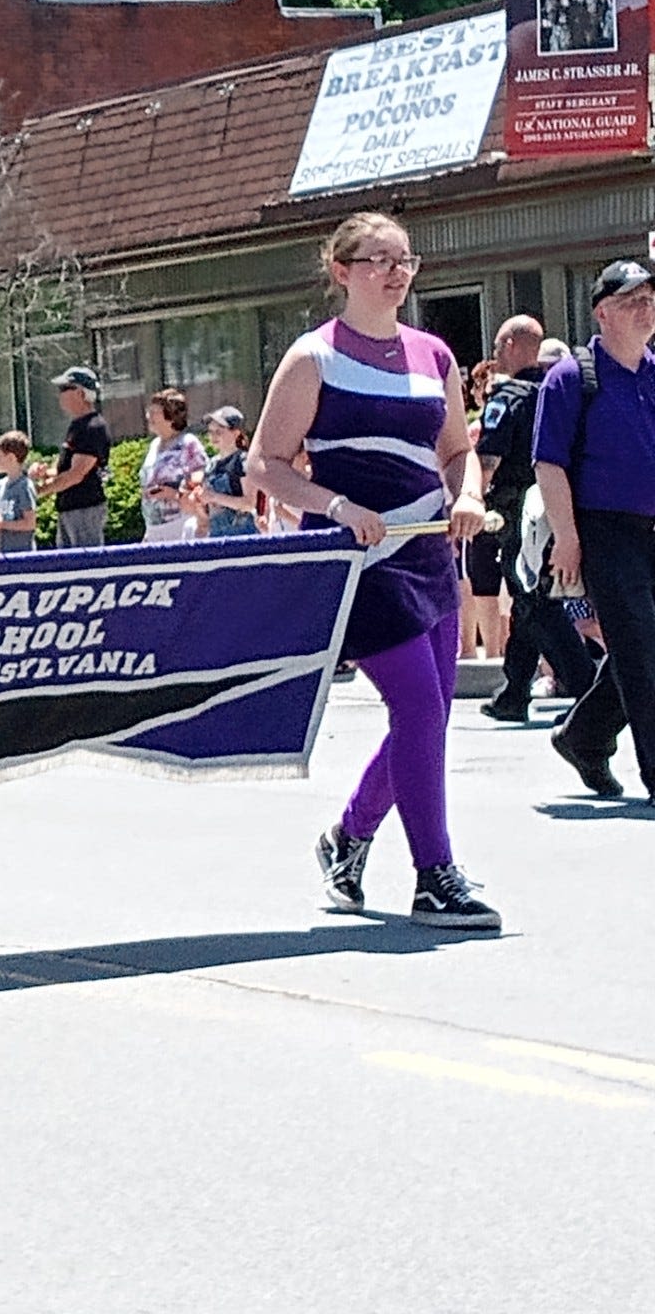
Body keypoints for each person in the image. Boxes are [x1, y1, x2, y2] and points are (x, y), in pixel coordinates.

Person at [246, 211, 500, 929]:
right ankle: (434, 875)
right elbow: (265, 464)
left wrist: (470, 494)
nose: (395, 274)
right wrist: (335, 504)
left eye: (405, 261)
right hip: (359, 562)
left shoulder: (434, 356)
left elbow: (457, 450)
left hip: (427, 553)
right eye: (378, 261)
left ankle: (349, 838)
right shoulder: (313, 358)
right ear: (342, 271)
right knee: (418, 706)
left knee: (433, 714)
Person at [534, 259, 655, 805]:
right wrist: (568, 538)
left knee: (642, 650)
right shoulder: (572, 377)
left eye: (649, 297)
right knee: (639, 648)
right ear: (602, 312)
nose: (645, 306)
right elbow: (549, 464)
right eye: (631, 299)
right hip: (605, 530)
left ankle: (584, 736)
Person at [478, 318, 595, 721]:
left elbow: (488, 460)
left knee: (533, 604)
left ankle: (586, 691)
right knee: (531, 599)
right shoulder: (556, 393)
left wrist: (472, 501)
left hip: (517, 516)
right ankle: (513, 693)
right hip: (556, 509)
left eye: (497, 347)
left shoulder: (507, 397)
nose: (494, 355)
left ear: (511, 345)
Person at [30, 365, 110, 547]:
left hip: (85, 508)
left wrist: (39, 492)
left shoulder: (93, 427)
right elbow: (62, 469)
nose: (60, 394)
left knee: (85, 567)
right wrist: (44, 473)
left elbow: (76, 474)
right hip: (68, 508)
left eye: (65, 388)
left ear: (81, 393)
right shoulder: (77, 426)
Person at [138, 387, 207, 543]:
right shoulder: (154, 445)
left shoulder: (188, 444)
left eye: (154, 413)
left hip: (180, 524)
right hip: (153, 527)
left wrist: (174, 495)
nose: (149, 417)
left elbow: (199, 483)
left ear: (171, 417)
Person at [187, 407, 259, 538]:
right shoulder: (210, 465)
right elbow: (207, 515)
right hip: (217, 535)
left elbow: (249, 503)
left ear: (236, 433)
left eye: (219, 431)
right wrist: (198, 502)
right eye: (211, 431)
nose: (213, 436)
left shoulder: (243, 461)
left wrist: (213, 497)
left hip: (244, 535)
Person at [0, 429, 37, 553]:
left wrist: (3, 524)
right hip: (2, 551)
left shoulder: (25, 486)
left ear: (11, 457)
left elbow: (30, 523)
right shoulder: (0, 485)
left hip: (22, 554)